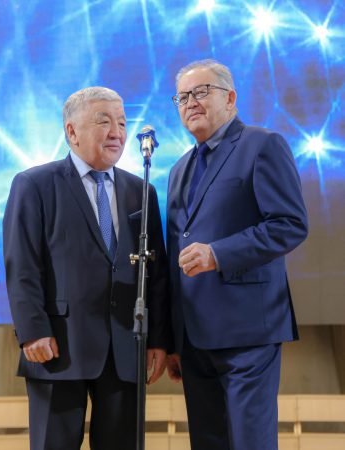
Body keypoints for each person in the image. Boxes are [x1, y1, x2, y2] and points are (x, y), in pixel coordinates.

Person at [3, 86, 170, 450]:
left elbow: (155, 275)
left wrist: (158, 338)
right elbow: (22, 265)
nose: (117, 132)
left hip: (125, 347)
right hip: (57, 346)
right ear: (72, 131)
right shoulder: (34, 184)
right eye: (104, 121)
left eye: (122, 123)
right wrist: (32, 330)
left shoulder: (141, 191)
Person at [165, 59, 308, 450]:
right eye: (182, 97)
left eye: (201, 92)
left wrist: (218, 254)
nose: (190, 102)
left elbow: (290, 224)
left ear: (230, 98)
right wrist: (174, 338)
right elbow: (175, 253)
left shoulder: (262, 145)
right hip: (194, 337)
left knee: (250, 443)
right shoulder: (179, 169)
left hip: (248, 332)